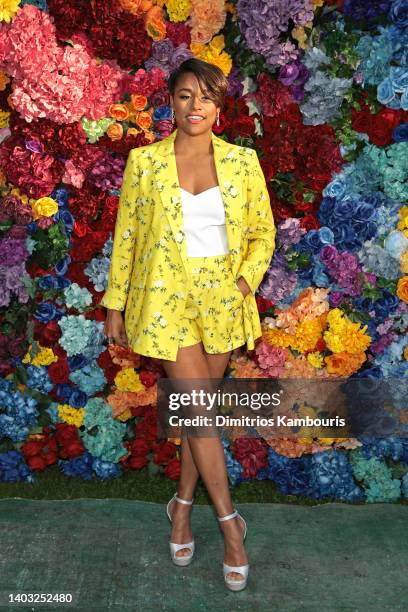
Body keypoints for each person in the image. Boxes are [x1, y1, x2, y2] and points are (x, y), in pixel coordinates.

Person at [101, 57, 276, 591]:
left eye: (205, 96)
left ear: (219, 107)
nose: (194, 105)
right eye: (184, 95)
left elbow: (262, 234)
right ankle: (231, 527)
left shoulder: (243, 163)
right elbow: (127, 236)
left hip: (222, 302)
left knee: (196, 417)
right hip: (165, 301)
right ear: (170, 103)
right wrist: (115, 304)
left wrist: (243, 285)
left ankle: (180, 506)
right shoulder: (145, 163)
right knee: (200, 413)